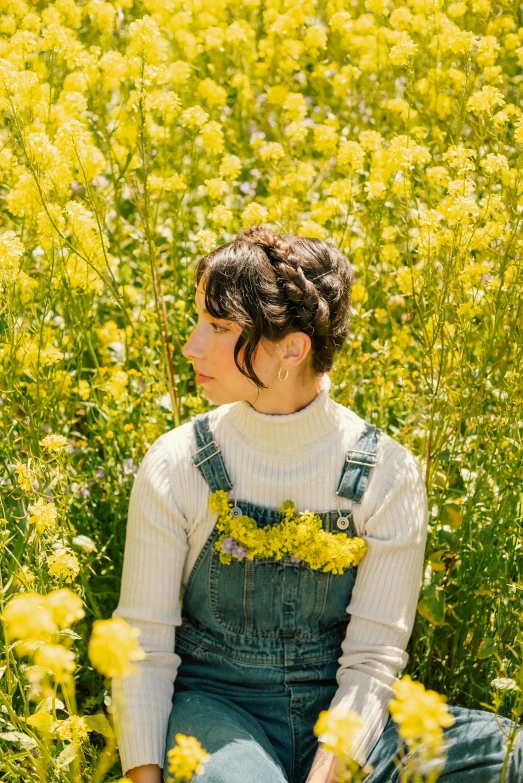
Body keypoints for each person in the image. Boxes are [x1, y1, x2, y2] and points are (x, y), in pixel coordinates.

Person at [111, 226, 522, 783]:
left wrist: (329, 773)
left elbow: (371, 663)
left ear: (292, 349)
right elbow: (144, 650)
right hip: (219, 713)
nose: (190, 345)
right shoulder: (177, 460)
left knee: (509, 755)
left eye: (218, 326)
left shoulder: (387, 473)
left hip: (350, 721)